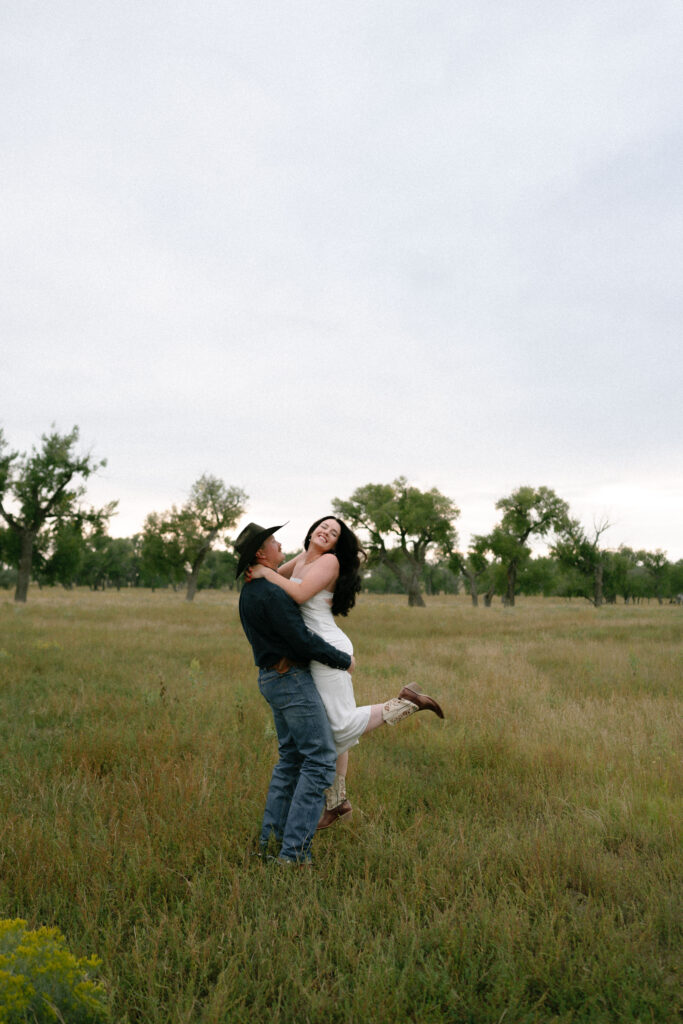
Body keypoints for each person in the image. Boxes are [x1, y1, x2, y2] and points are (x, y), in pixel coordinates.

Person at [246, 515, 444, 829]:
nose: (326, 532)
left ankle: (408, 703)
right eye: (322, 527)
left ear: (337, 543)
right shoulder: (303, 559)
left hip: (329, 650)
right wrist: (256, 571)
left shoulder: (328, 563)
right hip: (312, 650)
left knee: (337, 727)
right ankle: (337, 802)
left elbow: (295, 594)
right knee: (331, 726)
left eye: (334, 532)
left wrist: (265, 574)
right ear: (311, 531)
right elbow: (272, 575)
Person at [235, 521, 357, 866]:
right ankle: (294, 855)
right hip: (290, 680)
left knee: (291, 761)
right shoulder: (272, 592)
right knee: (319, 761)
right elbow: (300, 640)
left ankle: (269, 842)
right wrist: (340, 659)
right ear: (261, 552)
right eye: (273, 542)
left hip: (272, 679)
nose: (280, 545)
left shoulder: (253, 589)